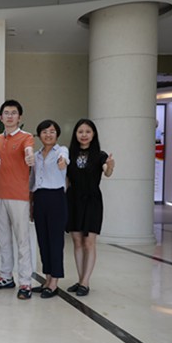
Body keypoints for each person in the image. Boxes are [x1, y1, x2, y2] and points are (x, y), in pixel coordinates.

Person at [0, 99, 36, 300]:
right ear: (1, 117)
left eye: (13, 113)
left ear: (19, 117)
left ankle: (25, 281)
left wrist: (29, 156)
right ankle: (6, 276)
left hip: (19, 196)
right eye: (6, 113)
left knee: (22, 240)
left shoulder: (26, 137)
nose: (10, 116)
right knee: (3, 239)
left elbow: (28, 150)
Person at [65, 119, 115, 297]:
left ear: (93, 134)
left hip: (92, 201)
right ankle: (81, 280)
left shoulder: (100, 155)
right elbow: (66, 179)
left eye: (88, 131)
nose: (84, 135)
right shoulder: (69, 153)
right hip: (73, 200)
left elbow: (107, 171)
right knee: (77, 242)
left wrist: (110, 166)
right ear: (75, 134)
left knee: (89, 242)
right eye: (80, 132)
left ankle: (85, 282)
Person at [29, 120, 68, 298]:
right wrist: (31, 204)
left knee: (55, 241)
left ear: (57, 134)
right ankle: (47, 278)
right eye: (44, 132)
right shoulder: (36, 155)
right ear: (39, 135)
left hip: (56, 198)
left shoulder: (61, 150)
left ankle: (54, 283)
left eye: (52, 131)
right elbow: (32, 180)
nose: (48, 135)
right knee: (43, 240)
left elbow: (64, 159)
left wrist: (62, 162)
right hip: (40, 198)